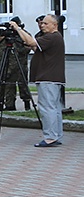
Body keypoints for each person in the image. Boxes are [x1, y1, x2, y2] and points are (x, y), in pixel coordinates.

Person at [8, 15, 65, 147]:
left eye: (45, 23)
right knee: (54, 108)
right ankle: (56, 135)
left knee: (47, 108)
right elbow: (35, 47)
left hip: (48, 78)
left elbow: (33, 42)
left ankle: (50, 137)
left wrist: (17, 29)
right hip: (52, 78)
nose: (42, 25)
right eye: (42, 23)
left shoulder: (52, 37)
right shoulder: (54, 37)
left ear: (54, 25)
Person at [0, 25, 29, 111]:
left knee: (9, 89)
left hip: (9, 69)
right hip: (1, 68)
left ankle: (10, 105)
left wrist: (9, 72)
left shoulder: (8, 44)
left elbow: (13, 59)